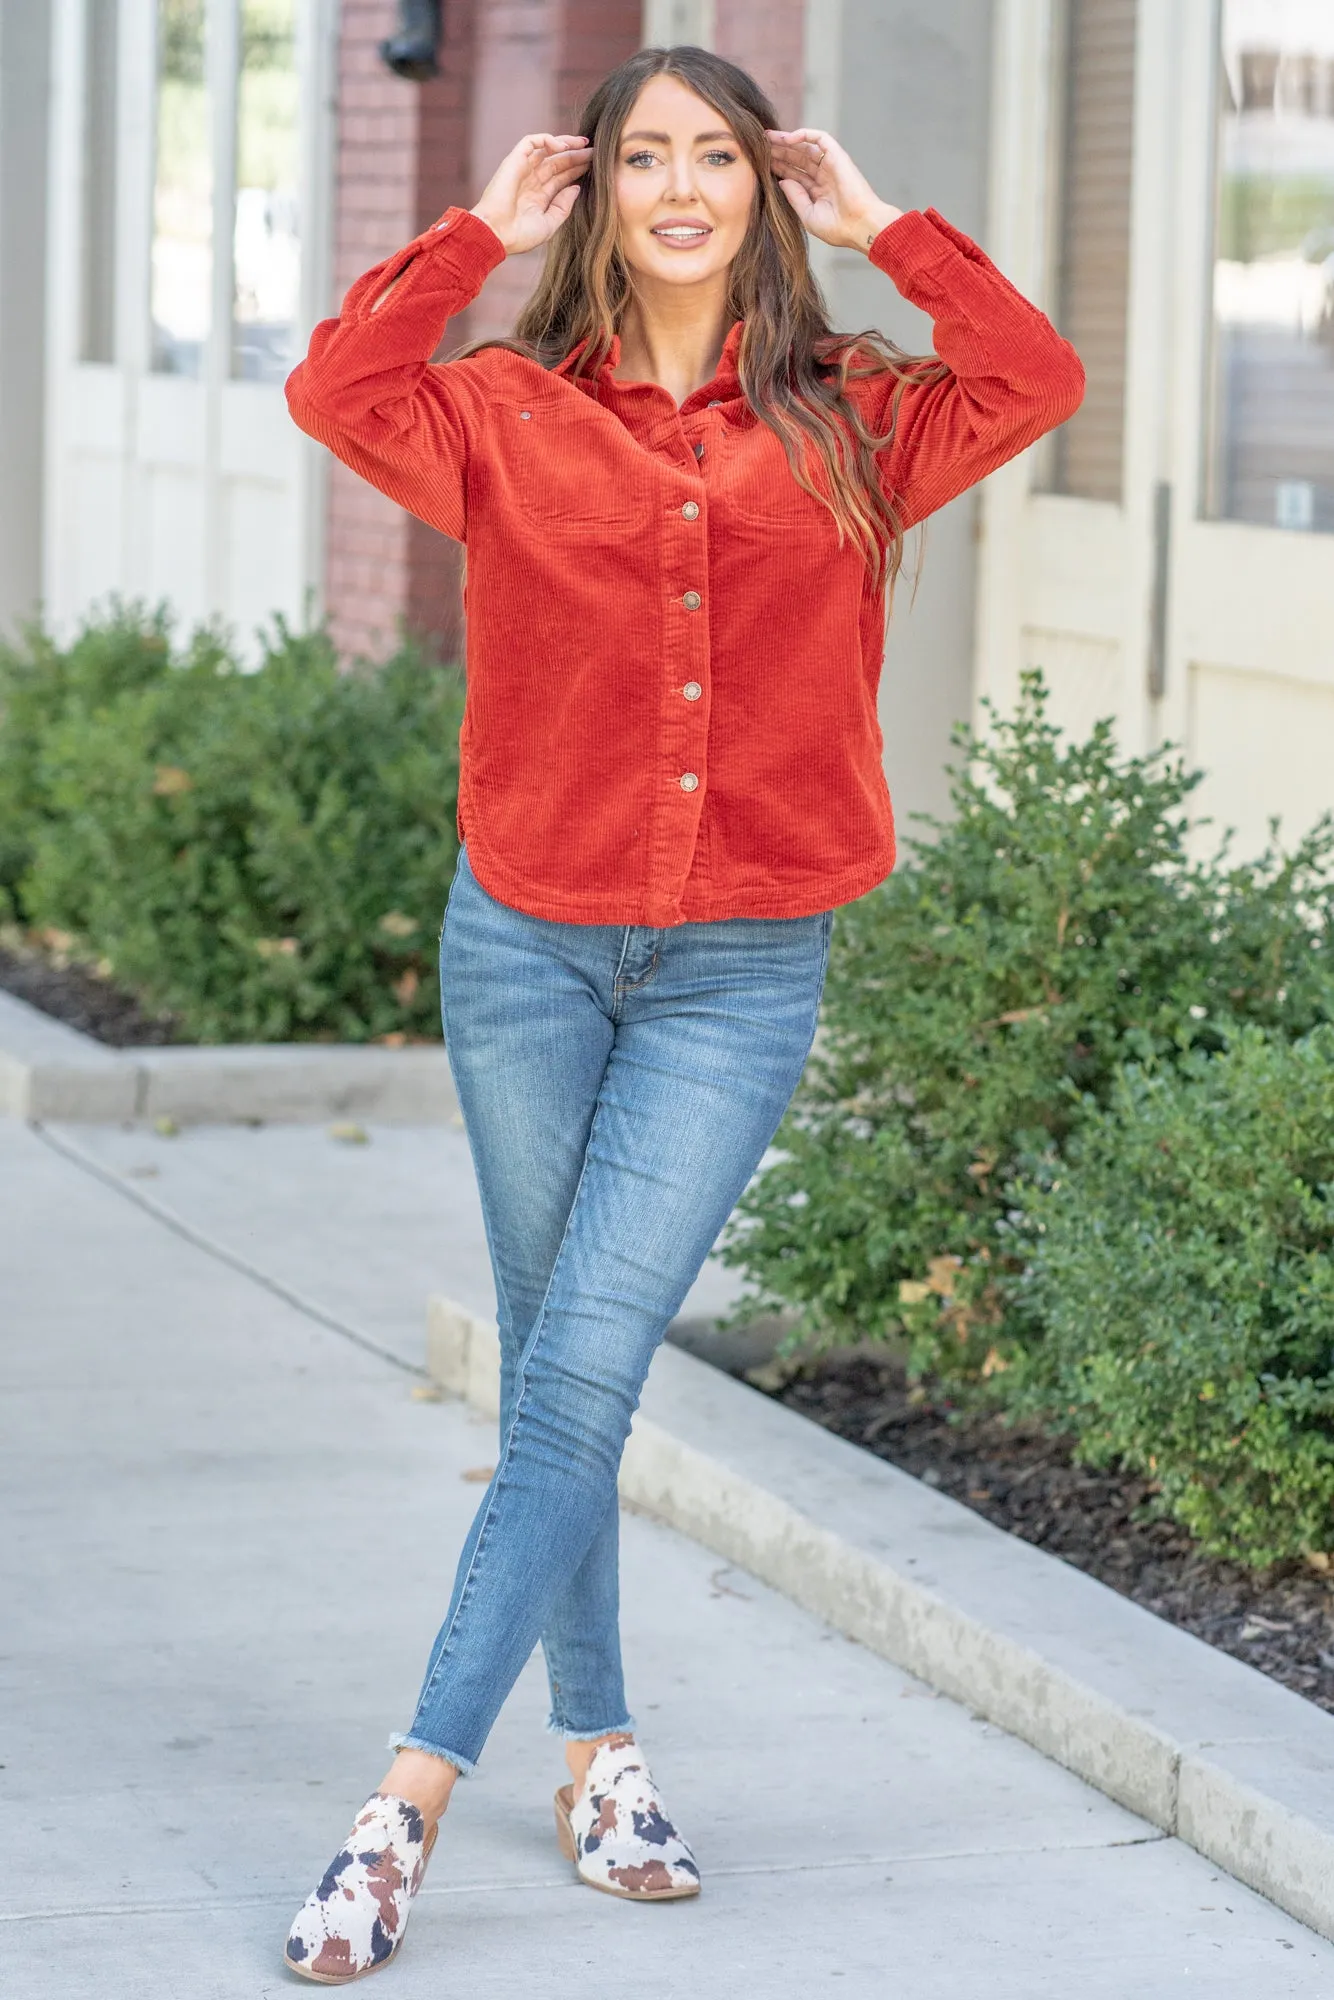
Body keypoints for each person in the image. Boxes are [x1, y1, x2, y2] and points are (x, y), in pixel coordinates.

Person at [281, 42, 1083, 1983]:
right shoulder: (495, 412)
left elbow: (1036, 377)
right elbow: (334, 386)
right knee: (570, 1378)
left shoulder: (856, 417)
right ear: (599, 190)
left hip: (741, 967)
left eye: (712, 156)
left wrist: (885, 222)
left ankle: (398, 1812)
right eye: (641, 156)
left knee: (571, 1380)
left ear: (759, 185)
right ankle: (604, 1759)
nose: (676, 187)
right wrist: (475, 226)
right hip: (526, 947)